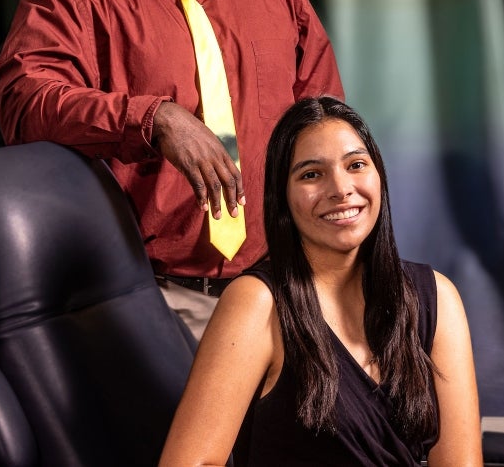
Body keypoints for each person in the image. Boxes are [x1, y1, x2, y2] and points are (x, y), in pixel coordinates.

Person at [0, 0, 343, 338]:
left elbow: (325, 120)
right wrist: (154, 119)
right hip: (159, 297)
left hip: (288, 283)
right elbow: (24, 104)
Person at [159, 97, 482, 466]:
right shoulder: (257, 303)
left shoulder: (436, 297)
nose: (341, 188)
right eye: (312, 174)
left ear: (379, 177)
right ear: (282, 197)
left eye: (356, 165)